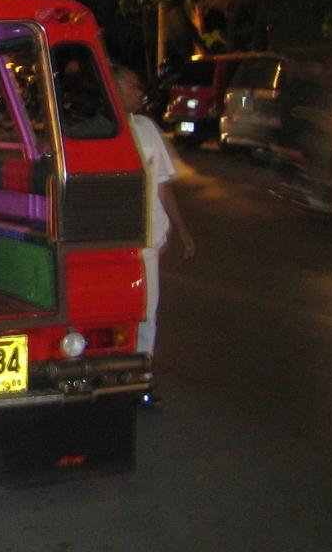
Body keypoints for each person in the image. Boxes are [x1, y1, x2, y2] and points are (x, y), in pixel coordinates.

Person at [114, 64, 196, 408]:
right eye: (134, 86)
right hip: (114, 245)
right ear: (115, 89)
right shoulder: (101, 132)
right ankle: (114, 375)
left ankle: (141, 381)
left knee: (148, 312)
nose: (140, 93)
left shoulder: (147, 128)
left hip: (147, 243)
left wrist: (182, 229)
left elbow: (162, 185)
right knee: (117, 314)